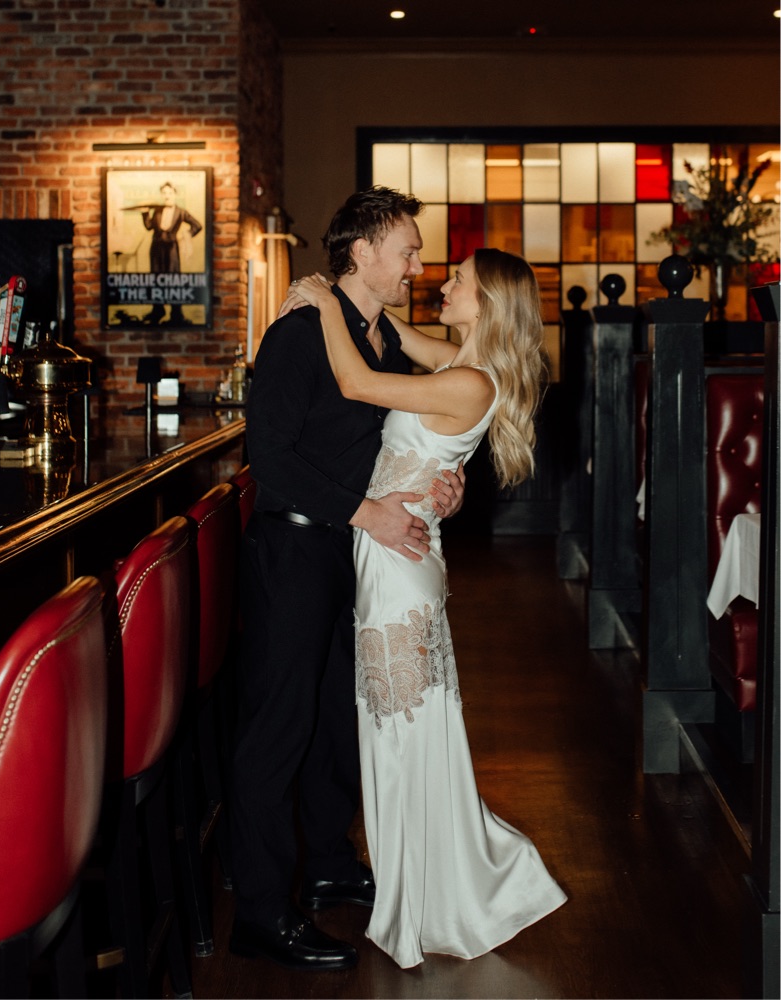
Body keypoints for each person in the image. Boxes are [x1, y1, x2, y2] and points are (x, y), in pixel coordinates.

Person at [286, 248, 567, 969]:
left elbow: (355, 382)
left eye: (458, 281)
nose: (442, 283)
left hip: (398, 567)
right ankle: (418, 886)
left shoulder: (469, 381)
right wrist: (351, 291)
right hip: (401, 553)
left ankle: (424, 899)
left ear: (487, 304)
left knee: (400, 731)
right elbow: (394, 333)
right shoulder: (462, 363)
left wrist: (322, 301)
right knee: (401, 727)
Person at [228, 187, 465, 971]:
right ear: (360, 253)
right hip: (292, 551)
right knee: (278, 731)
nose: (417, 267)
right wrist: (369, 514)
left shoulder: (381, 338)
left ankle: (327, 862)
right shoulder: (298, 334)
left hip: (346, 549)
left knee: (334, 718)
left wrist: (436, 486)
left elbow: (390, 441)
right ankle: (260, 912)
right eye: (407, 251)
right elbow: (270, 459)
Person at [140, 181, 202, 324]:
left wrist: (185, 235)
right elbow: (149, 226)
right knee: (155, 279)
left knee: (174, 279)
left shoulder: (181, 212)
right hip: (156, 248)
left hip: (171, 249)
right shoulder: (157, 210)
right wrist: (145, 213)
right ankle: (158, 310)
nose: (167, 196)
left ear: (175, 194)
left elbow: (197, 225)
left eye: (169, 192)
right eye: (164, 193)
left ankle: (176, 313)